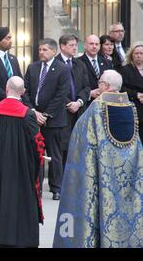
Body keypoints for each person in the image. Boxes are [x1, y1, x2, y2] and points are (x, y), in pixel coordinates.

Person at [53, 70, 143, 248]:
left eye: (100, 82)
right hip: (126, 175)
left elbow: (81, 139)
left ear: (106, 86)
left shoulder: (97, 108)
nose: (98, 85)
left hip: (101, 173)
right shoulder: (130, 107)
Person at [0, 77, 44, 248]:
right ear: (22, 92)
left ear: (6, 89)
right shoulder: (27, 114)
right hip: (19, 171)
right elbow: (38, 146)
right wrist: (36, 169)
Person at [24, 38, 70, 200]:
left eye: (45, 50)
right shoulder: (32, 67)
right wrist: (33, 112)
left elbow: (61, 95)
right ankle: (34, 186)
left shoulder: (62, 69)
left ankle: (56, 188)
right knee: (34, 153)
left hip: (53, 120)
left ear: (53, 51)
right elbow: (25, 91)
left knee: (54, 155)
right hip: (33, 117)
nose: (41, 52)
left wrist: (45, 115)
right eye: (40, 49)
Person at [55, 34, 90, 168]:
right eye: (71, 45)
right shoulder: (55, 63)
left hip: (79, 111)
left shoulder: (79, 64)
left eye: (76, 45)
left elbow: (86, 87)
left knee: (78, 146)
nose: (75, 48)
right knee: (63, 148)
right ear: (62, 46)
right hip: (63, 112)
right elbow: (55, 88)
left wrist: (79, 102)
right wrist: (69, 103)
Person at [118, 42, 143, 142]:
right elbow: (121, 88)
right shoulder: (125, 70)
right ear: (131, 55)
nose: (139, 56)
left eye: (141, 53)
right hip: (134, 108)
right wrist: (136, 94)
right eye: (136, 53)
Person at [79, 35, 113, 106]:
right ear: (85, 45)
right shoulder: (78, 62)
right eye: (91, 44)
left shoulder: (107, 62)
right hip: (86, 104)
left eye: (96, 44)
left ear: (99, 46)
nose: (94, 46)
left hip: (104, 103)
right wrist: (89, 93)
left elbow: (111, 81)